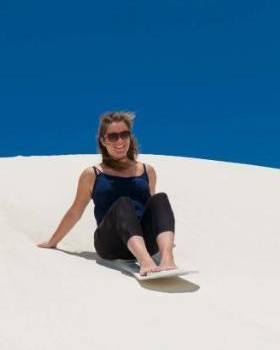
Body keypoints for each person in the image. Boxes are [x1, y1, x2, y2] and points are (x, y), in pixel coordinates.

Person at [37, 111, 180, 276]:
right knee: (123, 203)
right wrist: (53, 241)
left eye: (124, 135)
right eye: (113, 137)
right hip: (111, 245)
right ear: (103, 141)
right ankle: (145, 262)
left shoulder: (147, 171)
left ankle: (167, 259)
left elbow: (153, 210)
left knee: (160, 199)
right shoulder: (92, 174)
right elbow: (76, 211)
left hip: (145, 242)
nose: (120, 141)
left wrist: (163, 239)